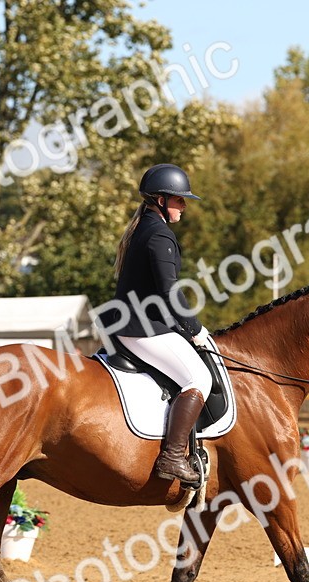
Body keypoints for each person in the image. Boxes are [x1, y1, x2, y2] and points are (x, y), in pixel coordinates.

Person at [102, 163, 212, 485]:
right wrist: (194, 329)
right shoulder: (159, 234)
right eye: (180, 200)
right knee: (198, 379)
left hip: (130, 322)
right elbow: (169, 291)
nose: (185, 206)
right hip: (140, 327)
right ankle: (173, 457)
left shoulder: (143, 228)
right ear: (161, 199)